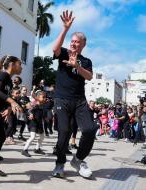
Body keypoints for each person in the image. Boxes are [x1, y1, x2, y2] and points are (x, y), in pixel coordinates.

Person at [51, 10, 96, 178]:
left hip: (79, 101)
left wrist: (77, 66)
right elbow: (54, 48)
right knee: (64, 131)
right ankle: (60, 163)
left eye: (77, 42)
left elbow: (89, 76)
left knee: (90, 130)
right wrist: (65, 29)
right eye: (72, 41)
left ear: (83, 45)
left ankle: (77, 160)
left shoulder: (86, 61)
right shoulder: (63, 53)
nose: (74, 43)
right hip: (62, 99)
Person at [21, 90, 46, 157]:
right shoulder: (34, 104)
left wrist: (45, 118)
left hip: (39, 123)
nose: (45, 98)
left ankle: (37, 149)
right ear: (37, 98)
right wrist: (30, 114)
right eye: (43, 97)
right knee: (33, 137)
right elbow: (28, 110)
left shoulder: (42, 105)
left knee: (42, 136)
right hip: (33, 123)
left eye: (45, 97)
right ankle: (24, 150)